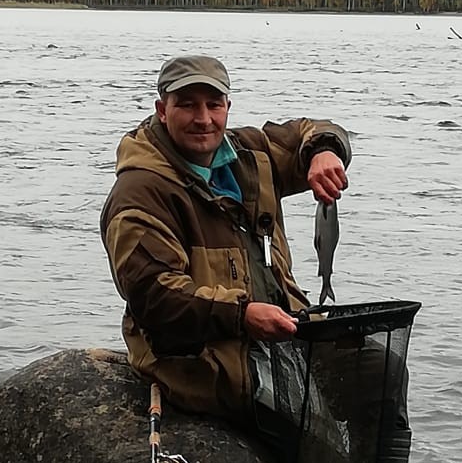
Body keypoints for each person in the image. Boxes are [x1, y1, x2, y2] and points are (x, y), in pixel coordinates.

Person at [100, 53, 351, 427]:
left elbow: (307, 130)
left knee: (376, 367)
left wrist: (324, 151)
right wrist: (241, 315)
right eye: (187, 105)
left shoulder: (252, 155)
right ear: (162, 110)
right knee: (305, 426)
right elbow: (154, 295)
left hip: (282, 335)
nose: (204, 119)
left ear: (227, 106)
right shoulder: (140, 191)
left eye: (213, 105)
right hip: (203, 360)